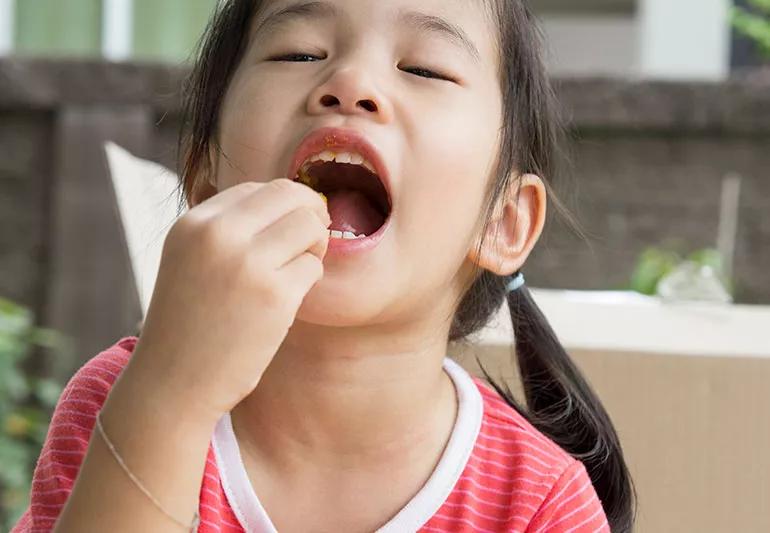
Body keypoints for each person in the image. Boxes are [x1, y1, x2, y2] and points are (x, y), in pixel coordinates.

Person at [13, 1, 635, 531]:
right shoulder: (125, 398)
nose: (351, 83)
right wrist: (168, 399)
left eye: (425, 68)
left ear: (503, 222)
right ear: (206, 188)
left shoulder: (539, 505)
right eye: (299, 54)